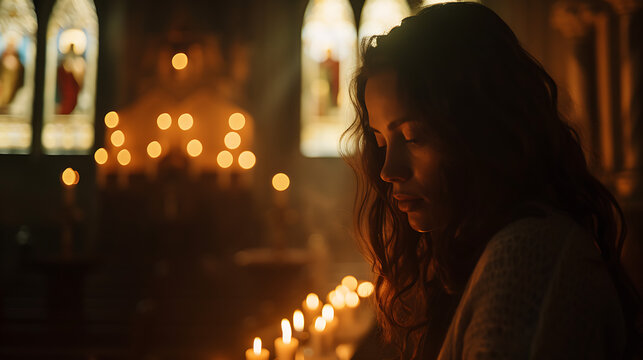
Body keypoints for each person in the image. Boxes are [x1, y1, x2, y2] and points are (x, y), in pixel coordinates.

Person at [342, 2, 641, 359]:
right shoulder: (481, 253)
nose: (388, 170)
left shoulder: (528, 262)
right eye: (380, 141)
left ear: (482, 131)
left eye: (412, 137)